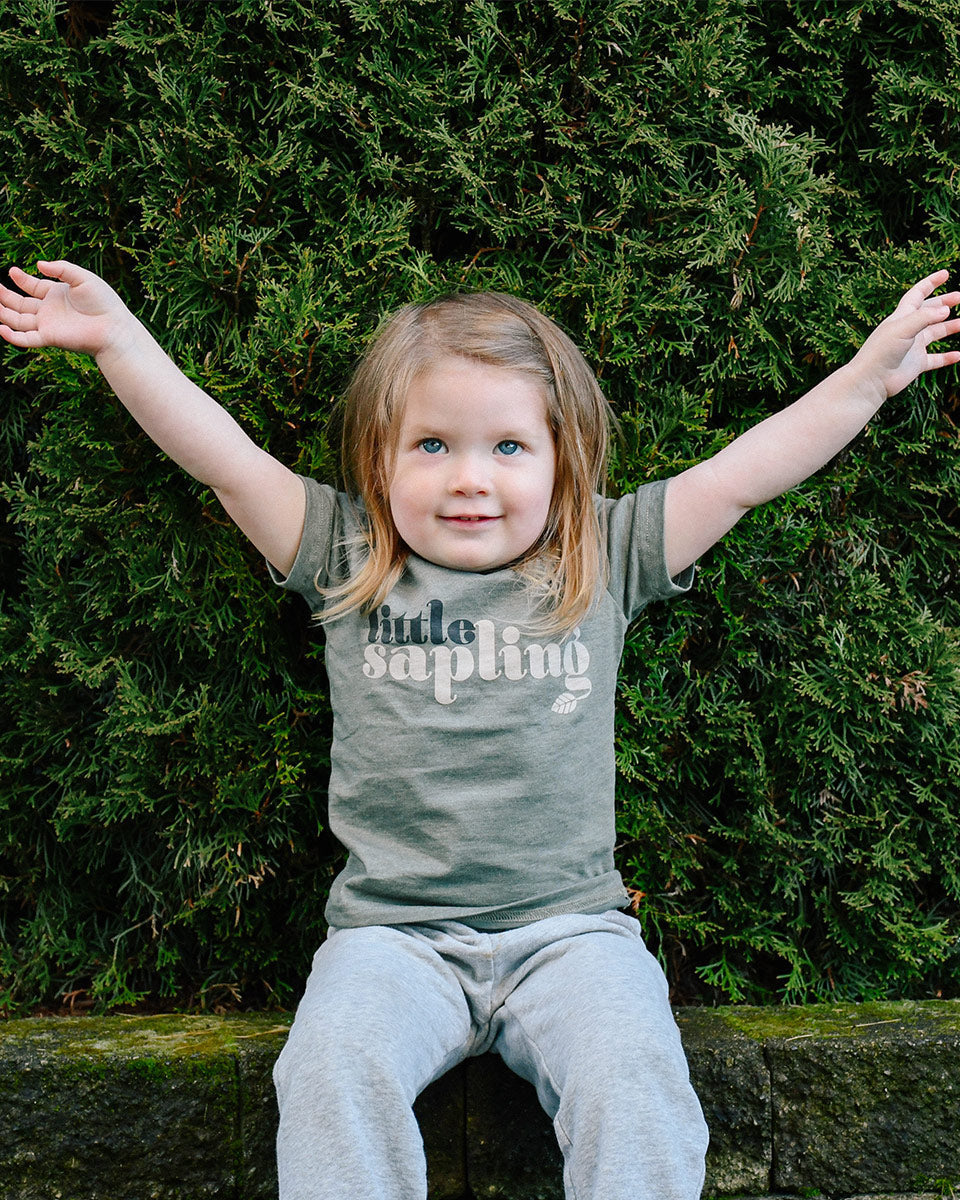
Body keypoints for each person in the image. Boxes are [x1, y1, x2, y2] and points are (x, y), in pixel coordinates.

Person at [2, 260, 958, 1200]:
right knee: (329, 1068)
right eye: (431, 445)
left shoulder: (604, 555)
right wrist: (119, 342)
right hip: (392, 940)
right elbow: (222, 457)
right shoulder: (346, 556)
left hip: (572, 936)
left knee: (637, 1071)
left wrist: (867, 379)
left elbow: (743, 475)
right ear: (378, 457)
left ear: (561, 459)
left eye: (508, 447)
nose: (470, 479)